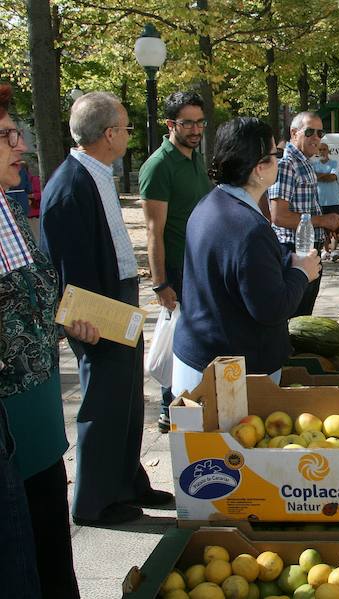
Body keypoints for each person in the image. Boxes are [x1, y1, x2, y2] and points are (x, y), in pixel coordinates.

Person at [41, 91, 172, 526]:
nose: (129, 134)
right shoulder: (70, 183)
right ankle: (95, 503)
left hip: (117, 297)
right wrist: (83, 320)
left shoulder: (95, 172)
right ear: (110, 133)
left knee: (128, 400)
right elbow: (68, 263)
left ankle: (127, 483)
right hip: (96, 308)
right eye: (126, 126)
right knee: (103, 401)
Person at [0, 82, 85, 598]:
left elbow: (29, 300)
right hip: (11, 429)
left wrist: (63, 320)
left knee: (51, 549)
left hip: (39, 421)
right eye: (8, 135)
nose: (22, 146)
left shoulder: (8, 208)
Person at [172, 117, 320, 395]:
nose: (280, 159)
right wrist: (302, 273)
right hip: (229, 377)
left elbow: (235, 276)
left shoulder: (209, 204)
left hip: (200, 360)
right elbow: (271, 308)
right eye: (276, 154)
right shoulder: (249, 228)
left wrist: (286, 266)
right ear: (258, 169)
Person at [139, 90, 211, 433]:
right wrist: (160, 283)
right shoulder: (158, 167)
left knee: (196, 339)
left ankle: (191, 401)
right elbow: (154, 232)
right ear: (171, 124)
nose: (196, 130)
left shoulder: (195, 158)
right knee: (179, 340)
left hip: (200, 268)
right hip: (178, 272)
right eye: (188, 123)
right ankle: (170, 408)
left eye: (200, 122)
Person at [268, 112, 339, 315]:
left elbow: (305, 210)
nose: (316, 138)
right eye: (309, 132)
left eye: (320, 132)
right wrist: (322, 221)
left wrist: (324, 226)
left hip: (308, 252)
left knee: (303, 319)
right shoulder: (286, 165)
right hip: (293, 253)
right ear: (294, 133)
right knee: (294, 319)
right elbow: (279, 216)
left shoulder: (306, 163)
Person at [312, 142, 339, 261]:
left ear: (328, 151)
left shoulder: (335, 163)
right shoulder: (314, 164)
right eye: (320, 149)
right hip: (319, 201)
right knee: (322, 227)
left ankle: (334, 251)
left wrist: (319, 176)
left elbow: (333, 177)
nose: (322, 152)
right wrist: (325, 175)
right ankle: (326, 250)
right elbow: (314, 177)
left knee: (335, 227)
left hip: (333, 200)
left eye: (324, 149)